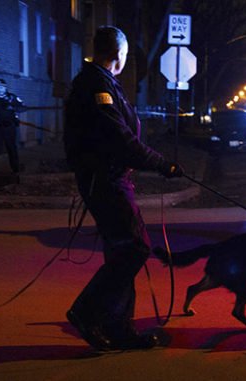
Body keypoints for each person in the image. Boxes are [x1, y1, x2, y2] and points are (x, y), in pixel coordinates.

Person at [63, 26, 183, 351]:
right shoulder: (96, 85)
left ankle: (119, 328)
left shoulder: (103, 82)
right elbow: (120, 138)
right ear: (119, 55)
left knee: (121, 250)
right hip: (105, 180)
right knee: (134, 248)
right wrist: (161, 163)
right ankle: (87, 311)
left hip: (112, 178)